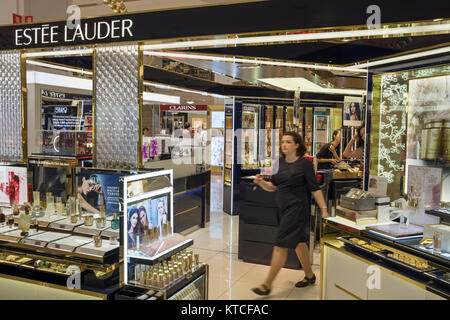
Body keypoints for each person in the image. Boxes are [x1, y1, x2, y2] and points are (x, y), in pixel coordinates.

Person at [251, 132, 328, 296]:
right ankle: (309, 275)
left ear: (297, 145)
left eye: (288, 142)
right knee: (299, 243)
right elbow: (273, 186)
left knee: (280, 244)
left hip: (297, 209)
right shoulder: (278, 163)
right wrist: (261, 182)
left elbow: (315, 189)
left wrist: (324, 209)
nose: (283, 145)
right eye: (282, 142)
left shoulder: (304, 165)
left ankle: (267, 285)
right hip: (282, 209)